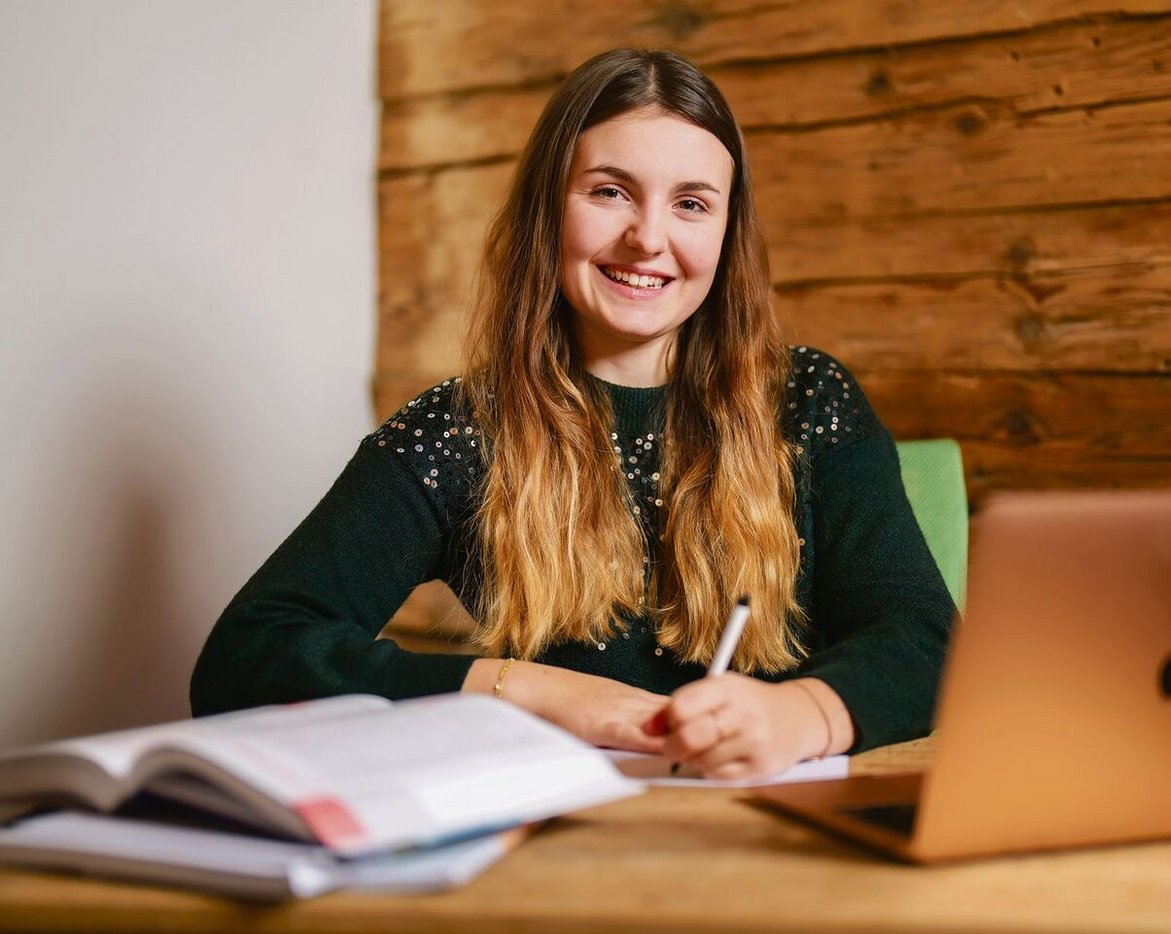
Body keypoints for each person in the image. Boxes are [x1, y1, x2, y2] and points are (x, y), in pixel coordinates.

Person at [190, 48, 956, 780]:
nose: (648, 238)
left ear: (727, 234)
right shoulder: (462, 430)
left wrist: (801, 715)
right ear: (547, 211)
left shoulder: (808, 400)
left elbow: (924, 639)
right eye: (610, 191)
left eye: (691, 204)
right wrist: (526, 690)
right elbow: (245, 657)